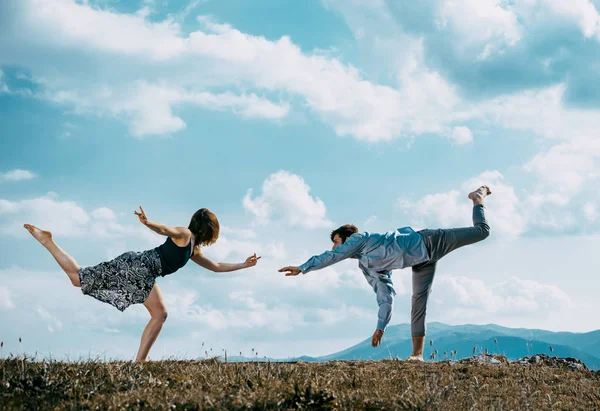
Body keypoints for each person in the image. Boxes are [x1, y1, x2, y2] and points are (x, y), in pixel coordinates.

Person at [279, 186, 491, 361]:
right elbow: (385, 295)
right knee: (419, 301)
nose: (335, 248)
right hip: (422, 262)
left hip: (431, 240)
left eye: (336, 242)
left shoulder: (360, 238)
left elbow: (331, 257)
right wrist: (381, 327)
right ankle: (417, 355)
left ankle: (477, 198)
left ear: (347, 238)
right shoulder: (367, 266)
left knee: (482, 232)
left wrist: (303, 267)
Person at [24, 207, 261, 362]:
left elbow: (216, 266)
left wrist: (243, 264)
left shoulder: (192, 250)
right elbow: (165, 229)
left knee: (159, 314)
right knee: (78, 279)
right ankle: (47, 241)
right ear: (210, 230)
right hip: (138, 267)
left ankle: (139, 363)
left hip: (145, 271)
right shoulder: (185, 235)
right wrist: (148, 223)